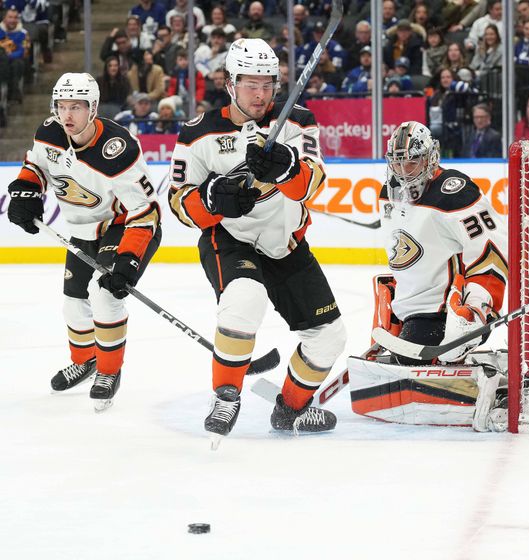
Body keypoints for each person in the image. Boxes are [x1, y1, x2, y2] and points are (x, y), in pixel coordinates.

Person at [167, 38, 345, 445]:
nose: (261, 93)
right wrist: (212, 199)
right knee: (245, 299)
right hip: (231, 242)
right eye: (251, 83)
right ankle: (226, 395)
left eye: (268, 83)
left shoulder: (298, 121)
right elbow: (179, 201)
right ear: (230, 83)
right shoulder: (198, 133)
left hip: (286, 244)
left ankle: (290, 409)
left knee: (330, 337)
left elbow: (312, 182)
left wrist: (286, 168)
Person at [6, 72, 161, 410]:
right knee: (73, 304)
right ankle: (86, 360)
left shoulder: (117, 149)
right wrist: (26, 189)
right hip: (82, 229)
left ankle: (108, 370)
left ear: (93, 108)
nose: (67, 116)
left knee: (105, 296)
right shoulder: (50, 132)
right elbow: (36, 165)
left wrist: (129, 259)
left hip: (123, 225)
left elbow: (145, 211)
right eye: (61, 106)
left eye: (76, 107)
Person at [378, 121, 508, 366]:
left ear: (430, 158)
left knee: (409, 365)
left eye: (411, 162)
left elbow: (493, 250)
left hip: (448, 311)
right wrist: (396, 304)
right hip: (413, 309)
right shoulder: (388, 192)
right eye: (396, 162)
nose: (402, 171)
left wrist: (476, 308)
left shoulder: (454, 192)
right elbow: (404, 254)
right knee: (401, 359)